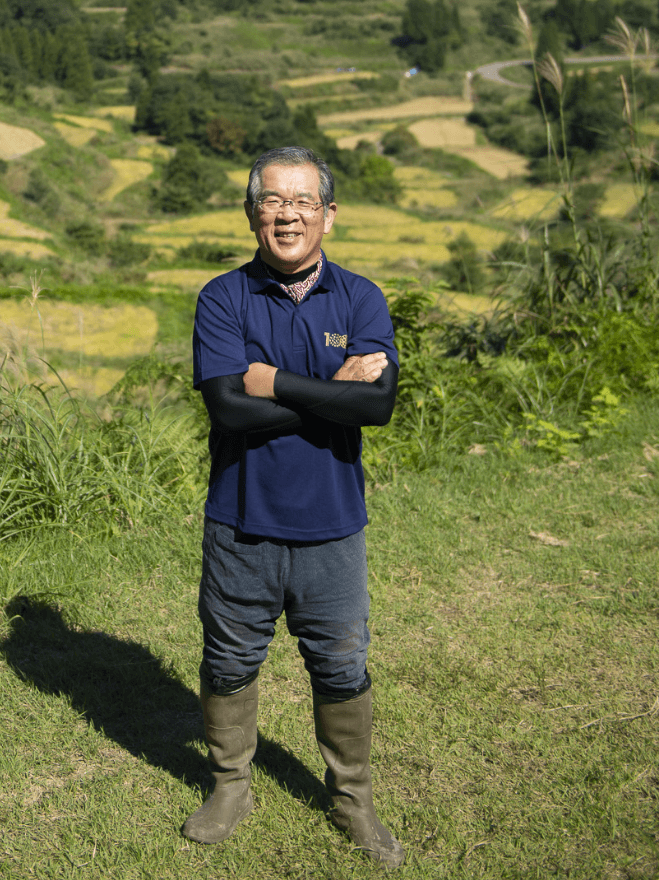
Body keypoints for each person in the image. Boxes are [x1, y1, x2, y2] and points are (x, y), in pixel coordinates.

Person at [185, 146, 404, 868]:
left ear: (329, 214)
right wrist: (329, 390)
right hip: (240, 521)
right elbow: (228, 411)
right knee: (229, 658)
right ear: (253, 214)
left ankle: (352, 799)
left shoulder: (361, 298)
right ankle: (229, 786)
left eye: (303, 201)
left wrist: (273, 382)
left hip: (333, 528)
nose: (288, 215)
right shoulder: (222, 297)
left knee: (341, 665)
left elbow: (377, 406)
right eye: (273, 201)